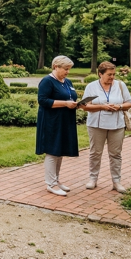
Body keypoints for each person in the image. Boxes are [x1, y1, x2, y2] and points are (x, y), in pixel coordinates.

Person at [82, 61, 131, 193]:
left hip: (117, 125)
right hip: (96, 125)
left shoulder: (120, 85)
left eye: (114, 74)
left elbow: (129, 103)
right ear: (100, 74)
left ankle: (116, 181)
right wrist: (102, 107)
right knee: (95, 153)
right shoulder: (91, 87)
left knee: (115, 154)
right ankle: (93, 179)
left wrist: (120, 106)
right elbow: (84, 106)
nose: (112, 77)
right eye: (109, 75)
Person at [36, 55, 79, 196]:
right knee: (52, 151)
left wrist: (76, 104)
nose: (67, 72)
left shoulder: (67, 82)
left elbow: (71, 97)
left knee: (59, 151)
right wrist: (65, 103)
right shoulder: (47, 81)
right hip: (51, 121)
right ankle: (51, 183)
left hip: (65, 120)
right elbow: (43, 100)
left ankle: (56, 179)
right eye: (65, 69)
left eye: (69, 69)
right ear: (56, 67)